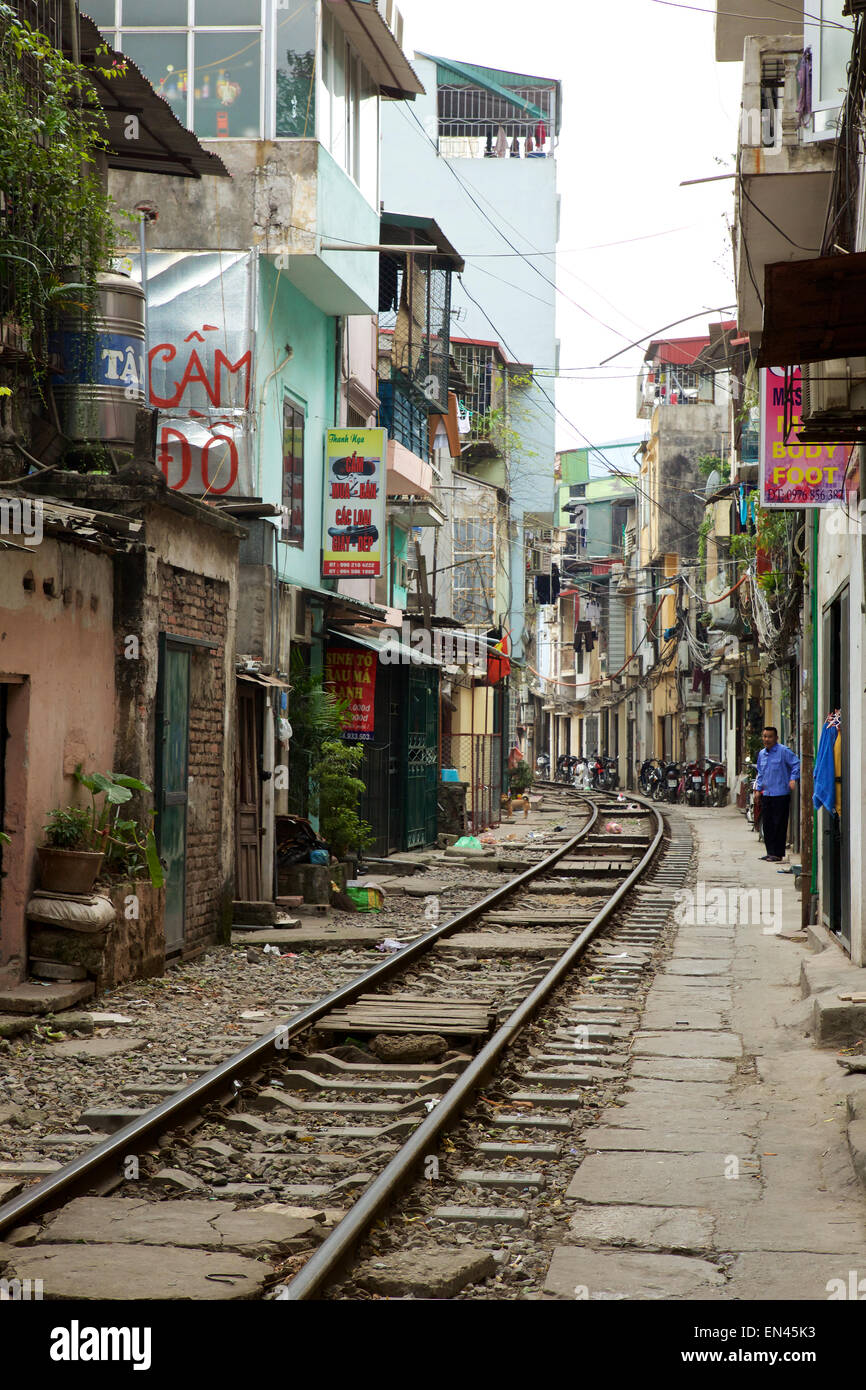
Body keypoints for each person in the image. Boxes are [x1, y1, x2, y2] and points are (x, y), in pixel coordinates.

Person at [754, 726, 800, 863]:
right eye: (764, 736)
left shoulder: (783, 751)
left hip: (781, 794)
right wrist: (757, 789)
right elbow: (760, 773)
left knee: (779, 824)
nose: (766, 739)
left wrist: (793, 778)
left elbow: (796, 764)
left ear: (776, 738)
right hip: (767, 793)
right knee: (767, 824)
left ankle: (778, 853)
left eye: (769, 736)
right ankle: (770, 852)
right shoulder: (762, 754)